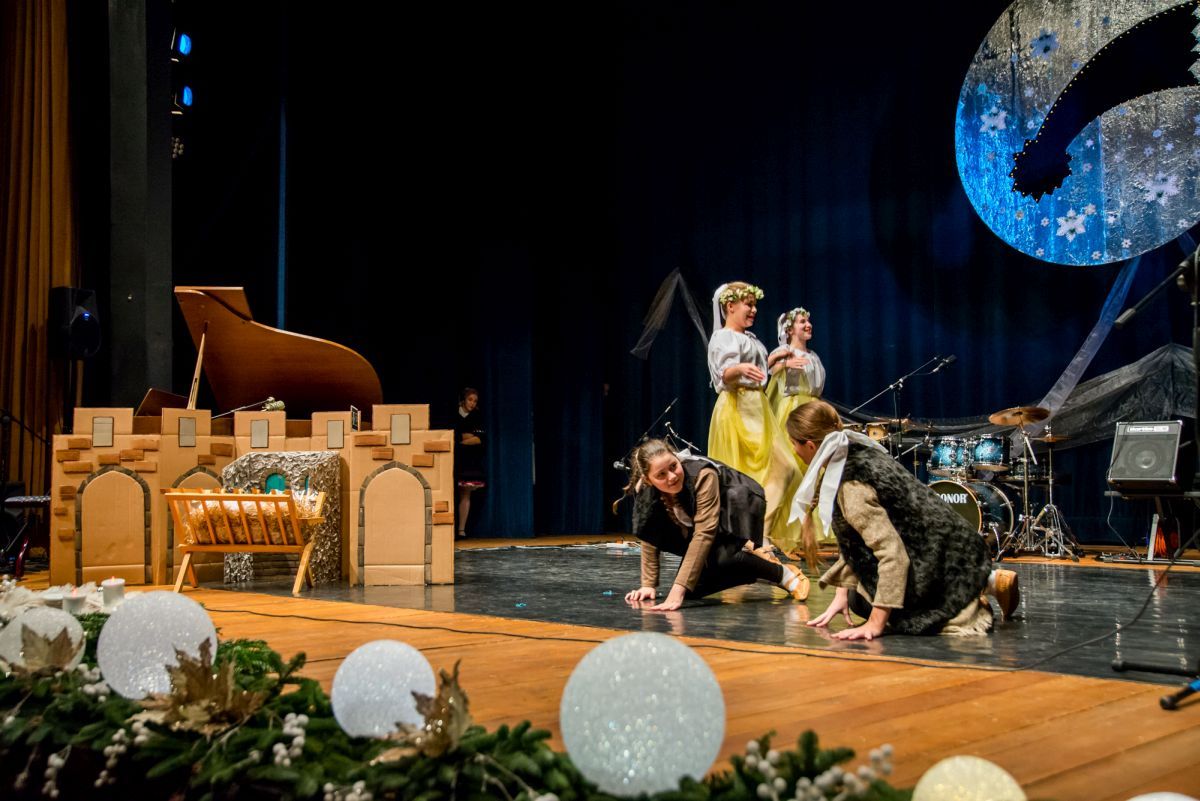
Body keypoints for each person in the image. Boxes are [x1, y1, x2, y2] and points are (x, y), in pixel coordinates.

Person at [785, 400, 1020, 639]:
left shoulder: (852, 483)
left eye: (794, 443)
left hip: (942, 560)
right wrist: (840, 594)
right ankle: (986, 581)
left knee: (862, 602)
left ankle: (964, 601)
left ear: (811, 445)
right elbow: (855, 541)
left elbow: (892, 553)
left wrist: (875, 624)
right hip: (954, 553)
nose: (794, 450)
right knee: (855, 595)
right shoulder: (858, 453)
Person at [620, 439, 809, 611]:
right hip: (699, 526)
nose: (671, 476)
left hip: (735, 510)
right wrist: (648, 584)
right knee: (692, 591)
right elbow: (650, 533)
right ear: (648, 480)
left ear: (677, 458)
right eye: (661, 475)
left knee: (723, 559)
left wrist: (677, 590)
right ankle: (756, 567)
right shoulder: (645, 489)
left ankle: (782, 574)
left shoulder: (702, 474)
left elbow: (704, 532)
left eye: (673, 466)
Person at [706, 282, 808, 565]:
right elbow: (722, 375)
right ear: (730, 306)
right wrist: (737, 369)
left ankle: (760, 533)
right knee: (742, 476)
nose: (753, 310)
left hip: (758, 407)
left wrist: (775, 359)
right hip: (736, 407)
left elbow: (761, 371)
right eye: (748, 305)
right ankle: (747, 540)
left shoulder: (750, 338)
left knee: (785, 467)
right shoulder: (722, 337)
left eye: (754, 305)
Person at [766, 307, 830, 548]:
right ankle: (783, 530)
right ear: (790, 329)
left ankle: (813, 531)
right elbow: (768, 372)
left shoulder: (814, 356)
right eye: (802, 321)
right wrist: (783, 364)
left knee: (816, 471)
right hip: (792, 409)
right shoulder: (782, 352)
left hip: (812, 410)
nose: (808, 325)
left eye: (808, 321)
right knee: (792, 469)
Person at [453, 387, 486, 538]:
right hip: (454, 458)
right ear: (463, 400)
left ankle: (461, 529)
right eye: (470, 400)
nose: (472, 403)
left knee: (465, 493)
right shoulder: (454, 415)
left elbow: (479, 439)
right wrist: (464, 438)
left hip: (469, 460)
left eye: (475, 401)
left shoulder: (476, 416)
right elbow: (454, 436)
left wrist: (464, 440)